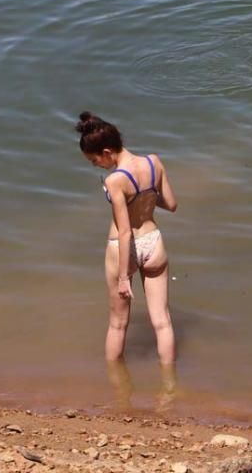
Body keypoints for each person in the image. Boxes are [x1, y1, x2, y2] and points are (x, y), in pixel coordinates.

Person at [76, 112, 178, 364]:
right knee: (163, 321)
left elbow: (124, 232)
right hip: (154, 242)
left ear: (107, 152)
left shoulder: (115, 180)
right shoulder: (154, 162)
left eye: (94, 160)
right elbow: (172, 204)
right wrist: (146, 196)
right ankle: (169, 386)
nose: (95, 165)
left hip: (125, 248)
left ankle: (117, 390)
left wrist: (124, 278)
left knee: (118, 324)